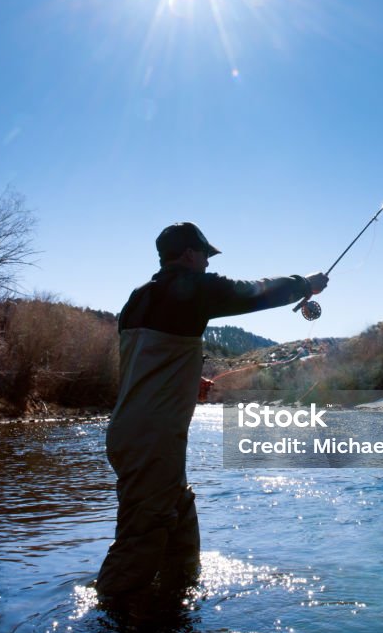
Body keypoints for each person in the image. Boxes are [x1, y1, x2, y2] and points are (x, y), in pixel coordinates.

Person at [96, 222, 328, 606]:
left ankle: (175, 606)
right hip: (153, 439)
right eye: (205, 255)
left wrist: (189, 378)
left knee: (179, 523)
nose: (207, 263)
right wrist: (305, 284)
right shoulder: (190, 288)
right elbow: (251, 293)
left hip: (136, 433)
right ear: (190, 254)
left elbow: (151, 358)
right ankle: (107, 623)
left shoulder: (139, 299)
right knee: (141, 538)